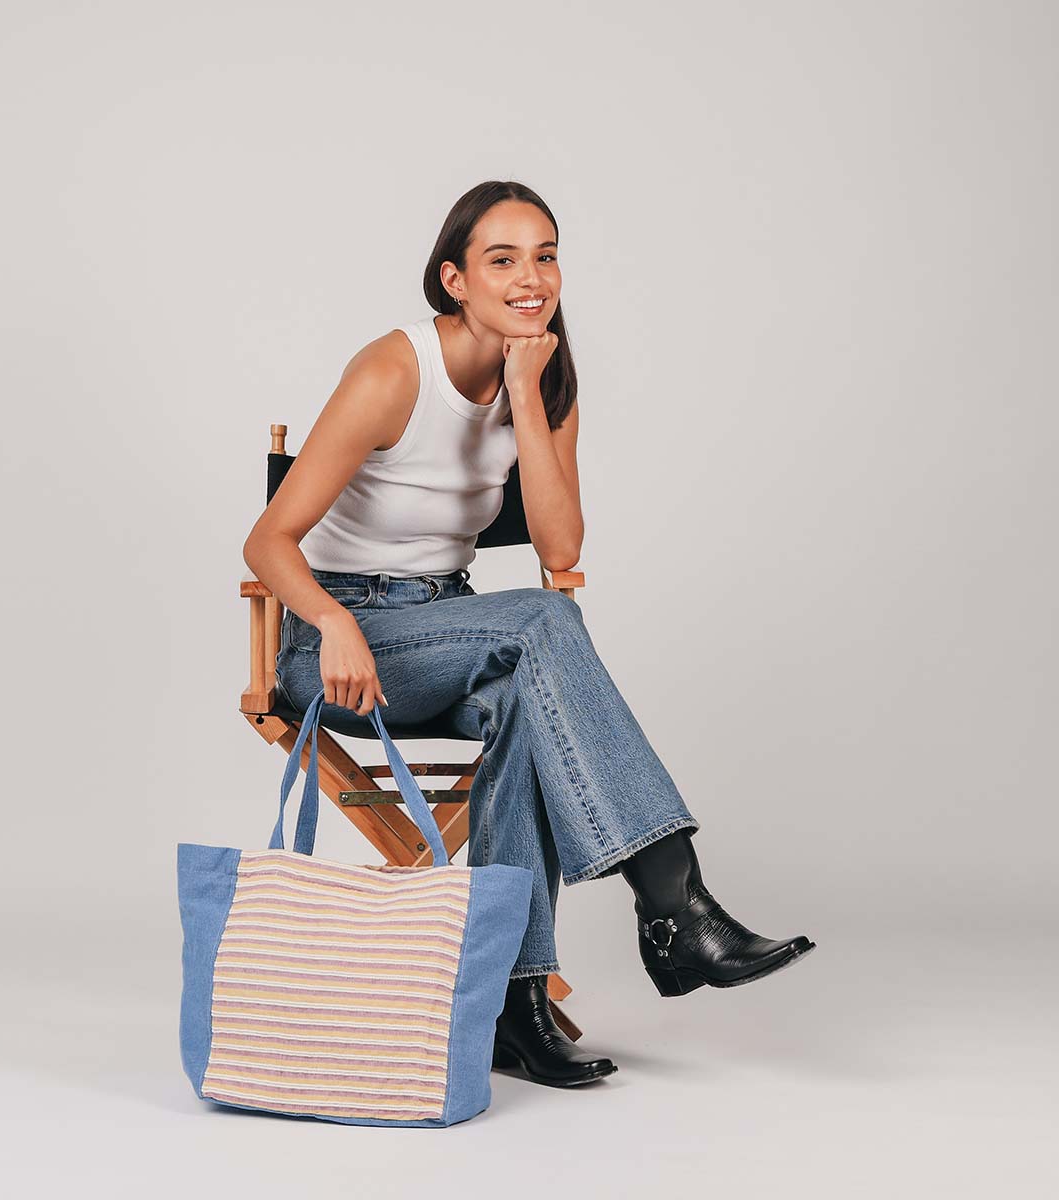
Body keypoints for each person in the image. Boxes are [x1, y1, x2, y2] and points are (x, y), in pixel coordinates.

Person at [242, 179, 815, 1089]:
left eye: (545, 255)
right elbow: (267, 540)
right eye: (502, 259)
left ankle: (516, 1009)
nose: (531, 277)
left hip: (451, 627)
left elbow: (560, 544)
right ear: (453, 279)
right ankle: (675, 904)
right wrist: (333, 619)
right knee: (549, 619)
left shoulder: (546, 382)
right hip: (339, 647)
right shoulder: (395, 371)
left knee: (528, 704)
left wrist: (523, 389)